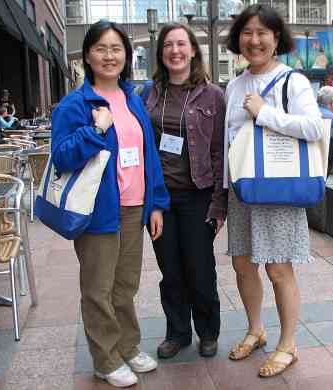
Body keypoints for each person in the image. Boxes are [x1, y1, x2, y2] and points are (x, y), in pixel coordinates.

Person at [51, 20, 170, 388]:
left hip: (135, 207)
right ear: (87, 55)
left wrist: (155, 203)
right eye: (101, 48)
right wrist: (96, 129)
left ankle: (128, 346)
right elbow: (62, 157)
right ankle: (105, 359)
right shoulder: (75, 105)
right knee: (98, 289)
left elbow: (149, 154)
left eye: (116, 49)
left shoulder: (132, 99)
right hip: (97, 211)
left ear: (126, 55)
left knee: (125, 285)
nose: (109, 55)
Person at [223, 4, 326, 377]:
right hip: (242, 189)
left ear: (276, 38)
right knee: (242, 263)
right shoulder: (234, 85)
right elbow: (230, 140)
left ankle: (288, 344)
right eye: (247, 33)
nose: (255, 40)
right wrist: (224, 189)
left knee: (278, 267)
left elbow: (315, 128)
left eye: (262, 33)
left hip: (279, 188)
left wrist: (266, 112)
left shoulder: (291, 81)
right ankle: (256, 330)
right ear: (239, 39)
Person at [142, 23, 227, 359]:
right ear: (161, 53)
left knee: (200, 268)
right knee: (171, 271)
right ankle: (177, 332)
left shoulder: (213, 96)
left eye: (181, 44)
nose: (175, 51)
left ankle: (208, 331)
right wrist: (150, 203)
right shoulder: (147, 94)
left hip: (198, 196)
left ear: (193, 50)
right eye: (168, 45)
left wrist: (219, 206)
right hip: (161, 198)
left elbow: (220, 153)